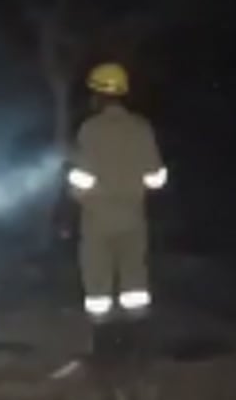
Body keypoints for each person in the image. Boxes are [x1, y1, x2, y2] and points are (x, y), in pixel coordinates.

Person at [67, 63, 167, 322]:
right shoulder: (141, 127)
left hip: (98, 220)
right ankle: (137, 331)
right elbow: (156, 178)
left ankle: (101, 334)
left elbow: (82, 179)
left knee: (97, 281)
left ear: (98, 95)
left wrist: (76, 192)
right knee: (135, 279)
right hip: (133, 217)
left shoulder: (91, 129)